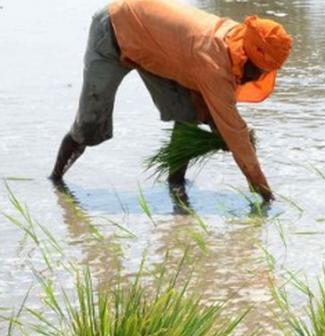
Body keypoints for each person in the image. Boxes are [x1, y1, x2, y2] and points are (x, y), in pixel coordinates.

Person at [50, 0, 293, 203]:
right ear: (247, 54)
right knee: (89, 123)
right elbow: (233, 130)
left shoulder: (234, 39)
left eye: (266, 72)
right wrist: (264, 193)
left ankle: (176, 184)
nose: (259, 77)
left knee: (187, 114)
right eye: (259, 70)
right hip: (114, 31)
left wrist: (223, 131)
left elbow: (214, 110)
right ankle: (56, 182)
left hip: (153, 46)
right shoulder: (214, 62)